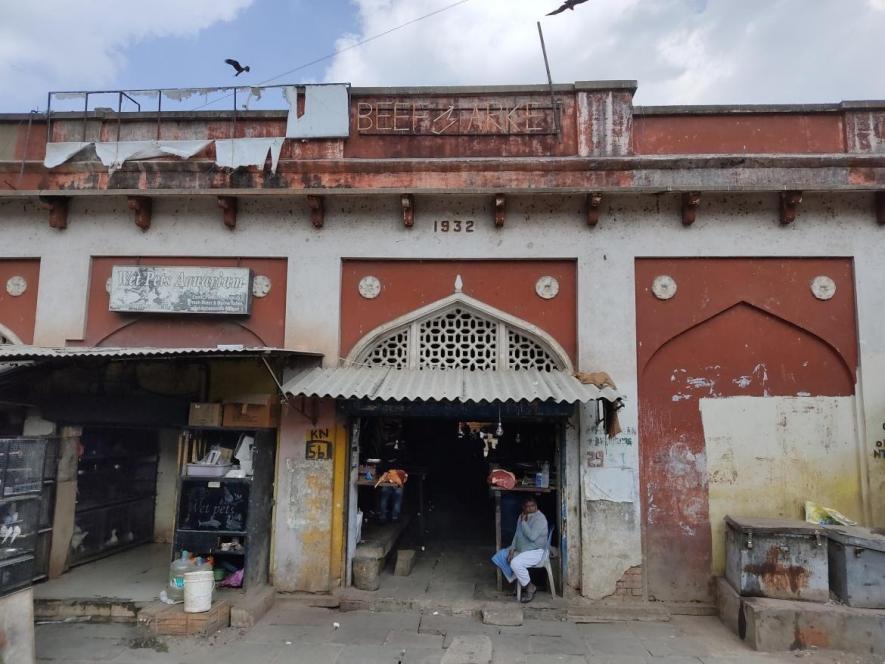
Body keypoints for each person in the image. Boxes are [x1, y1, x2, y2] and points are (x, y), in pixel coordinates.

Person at [491, 496, 548, 602]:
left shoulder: (540, 519)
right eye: (528, 506)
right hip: (523, 549)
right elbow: (517, 535)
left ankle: (530, 587)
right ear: (523, 508)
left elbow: (532, 537)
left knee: (515, 563)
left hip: (537, 551)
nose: (531, 508)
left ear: (536, 506)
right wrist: (512, 549)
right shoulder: (522, 516)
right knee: (501, 555)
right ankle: (520, 585)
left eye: (533, 506)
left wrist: (523, 523)